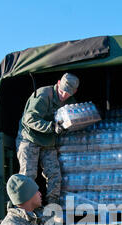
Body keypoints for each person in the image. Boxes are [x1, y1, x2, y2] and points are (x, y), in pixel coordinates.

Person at [16, 72, 79, 204]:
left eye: (68, 93)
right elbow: (29, 119)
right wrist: (51, 127)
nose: (64, 95)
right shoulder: (44, 95)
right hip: (29, 138)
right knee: (28, 177)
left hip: (48, 141)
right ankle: (25, 210)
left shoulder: (70, 102)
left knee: (55, 176)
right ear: (58, 83)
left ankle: (52, 207)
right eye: (62, 91)